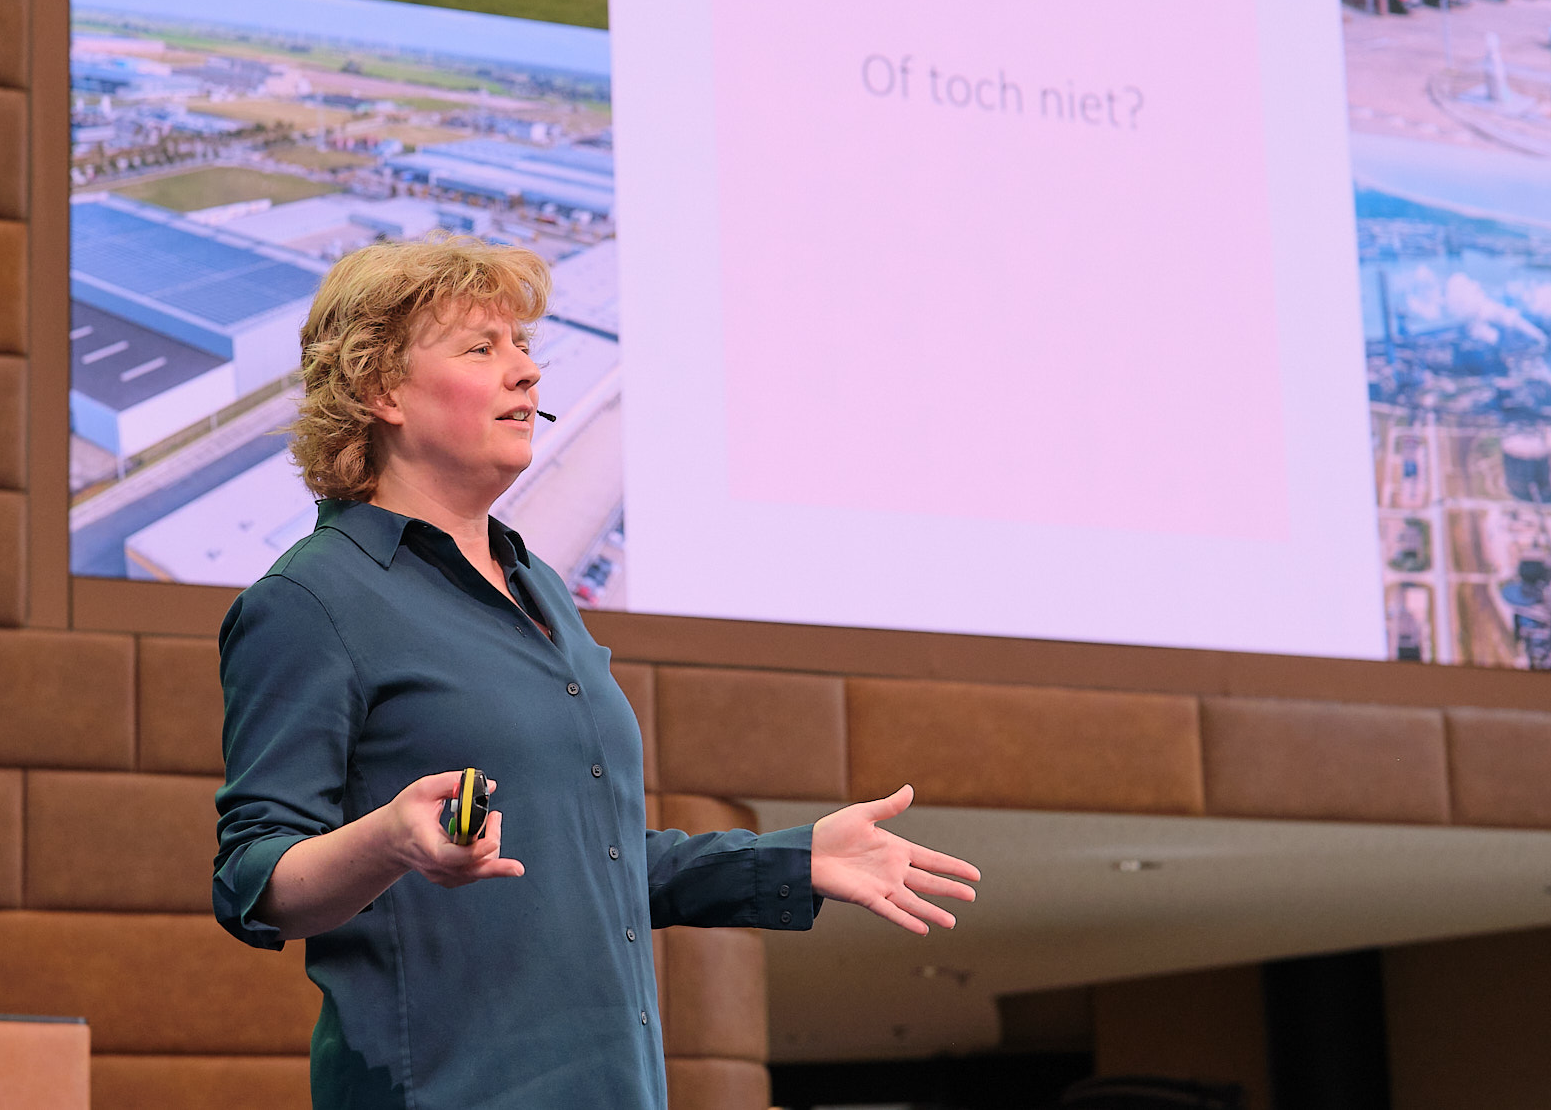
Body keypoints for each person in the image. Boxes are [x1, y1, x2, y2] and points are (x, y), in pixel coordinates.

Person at [215, 235, 980, 1110]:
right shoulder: (312, 598)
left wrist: (795, 859)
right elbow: (251, 879)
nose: (527, 370)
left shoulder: (539, 586)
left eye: (523, 345)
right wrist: (387, 840)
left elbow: (594, 862)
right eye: (481, 348)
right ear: (381, 390)